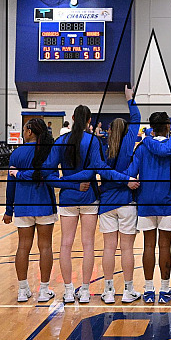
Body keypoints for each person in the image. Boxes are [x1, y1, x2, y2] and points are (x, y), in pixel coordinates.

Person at [125, 111, 171, 304]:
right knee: (165, 246)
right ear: (167, 127)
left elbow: (131, 173)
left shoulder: (141, 148)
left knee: (148, 246)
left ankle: (149, 290)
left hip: (146, 201)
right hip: (166, 202)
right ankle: (165, 290)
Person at [53, 105, 105, 303]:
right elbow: (95, 169)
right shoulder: (92, 141)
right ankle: (84, 290)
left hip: (67, 198)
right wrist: (78, 182)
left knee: (65, 244)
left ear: (73, 118)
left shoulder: (61, 141)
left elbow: (49, 173)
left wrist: (69, 183)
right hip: (89, 197)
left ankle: (68, 290)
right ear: (89, 120)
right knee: (88, 245)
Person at [4, 118, 58, 303]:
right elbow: (54, 177)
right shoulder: (48, 152)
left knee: (23, 247)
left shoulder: (16, 154)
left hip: (22, 205)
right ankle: (43, 290)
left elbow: (10, 184)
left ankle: (22, 290)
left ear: (29, 132)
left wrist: (8, 209)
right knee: (45, 247)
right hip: (44, 204)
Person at [100, 87, 143, 304]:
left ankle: (108, 291)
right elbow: (137, 118)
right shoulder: (128, 144)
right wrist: (129, 98)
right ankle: (128, 290)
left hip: (106, 202)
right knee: (127, 248)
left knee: (109, 248)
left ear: (109, 131)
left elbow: (101, 171)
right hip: (126, 201)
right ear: (126, 131)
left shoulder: (102, 148)